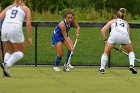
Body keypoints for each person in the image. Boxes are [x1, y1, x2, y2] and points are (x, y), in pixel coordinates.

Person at [99, 8, 137, 74]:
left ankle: (102, 69)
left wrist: (105, 39)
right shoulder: (126, 23)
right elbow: (127, 35)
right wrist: (121, 46)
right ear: (123, 16)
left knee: (106, 52)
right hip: (124, 37)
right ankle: (132, 65)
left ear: (116, 15)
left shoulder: (112, 21)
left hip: (114, 36)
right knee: (130, 51)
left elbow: (102, 30)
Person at [0, 0, 32, 77]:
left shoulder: (9, 7)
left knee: (10, 51)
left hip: (5, 27)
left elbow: (0, 17)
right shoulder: (26, 9)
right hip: (15, 27)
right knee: (21, 52)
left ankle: (6, 71)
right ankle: (7, 65)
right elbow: (28, 23)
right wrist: (30, 37)